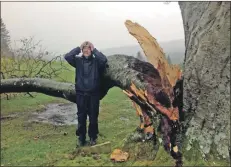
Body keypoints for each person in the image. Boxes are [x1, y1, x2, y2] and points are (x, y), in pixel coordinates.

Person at [64, 41, 107, 147]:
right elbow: (67, 56)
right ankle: (81, 138)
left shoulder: (96, 62)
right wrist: (78, 48)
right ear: (82, 50)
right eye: (84, 49)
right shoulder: (78, 61)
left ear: (91, 50)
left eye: (88, 48)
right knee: (81, 117)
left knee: (93, 117)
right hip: (81, 94)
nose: (86, 50)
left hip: (93, 94)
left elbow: (104, 60)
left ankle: (93, 137)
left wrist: (95, 49)